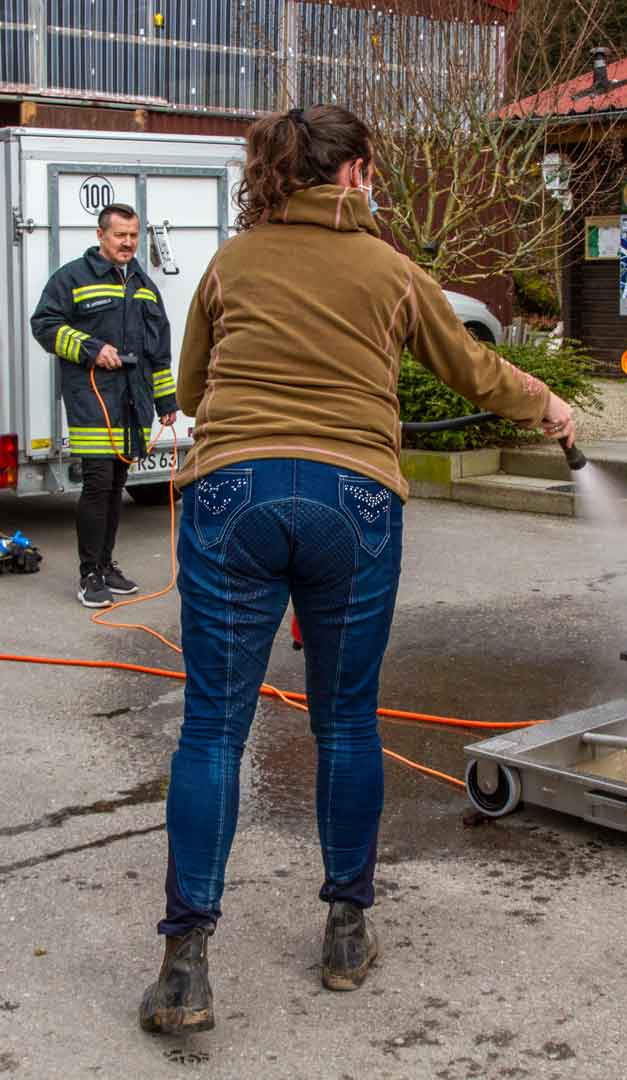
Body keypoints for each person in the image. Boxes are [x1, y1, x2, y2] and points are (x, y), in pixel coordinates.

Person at [138, 104, 577, 1036]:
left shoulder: (230, 261)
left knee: (214, 729)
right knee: (345, 722)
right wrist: (549, 406)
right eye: (370, 168)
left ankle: (185, 967)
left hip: (232, 497)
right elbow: (474, 369)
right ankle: (345, 930)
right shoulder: (391, 270)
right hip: (357, 504)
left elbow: (185, 388)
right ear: (352, 174)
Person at [30, 204, 178, 607]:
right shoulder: (73, 279)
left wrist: (166, 399)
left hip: (134, 403)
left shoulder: (145, 285)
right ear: (101, 236)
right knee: (97, 485)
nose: (128, 242)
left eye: (133, 235)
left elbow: (158, 351)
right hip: (93, 399)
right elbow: (43, 325)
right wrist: (91, 350)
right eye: (120, 235)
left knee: (117, 486)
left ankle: (107, 565)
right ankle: (89, 575)